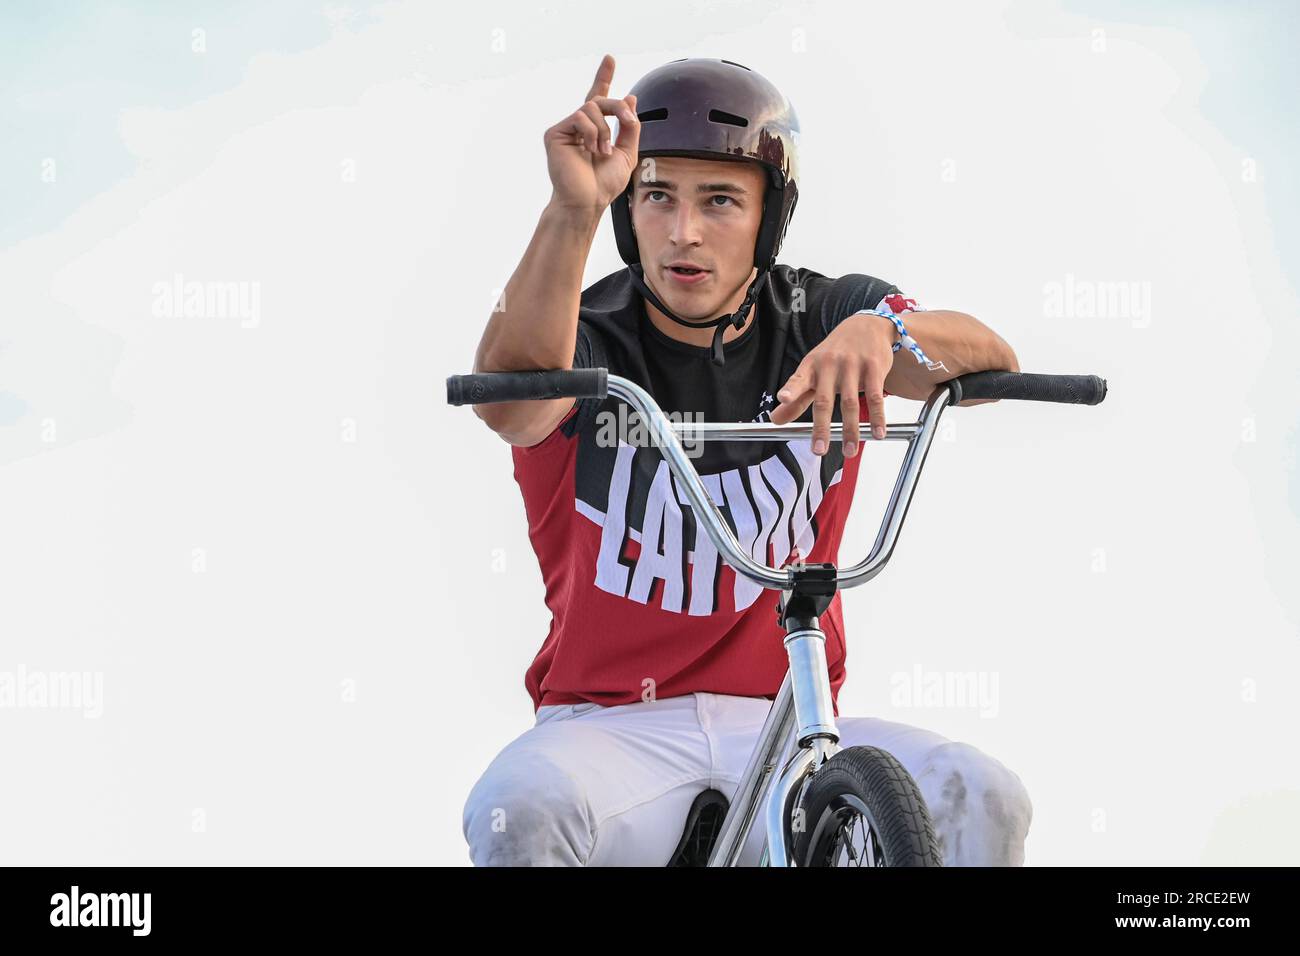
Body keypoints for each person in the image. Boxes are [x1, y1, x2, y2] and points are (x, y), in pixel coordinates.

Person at [463, 54, 1029, 866]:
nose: (683, 232)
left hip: (788, 720)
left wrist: (883, 332)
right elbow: (509, 405)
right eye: (656, 196)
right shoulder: (586, 330)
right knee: (521, 808)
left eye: (720, 200)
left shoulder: (821, 312)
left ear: (770, 217)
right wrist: (572, 208)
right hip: (612, 731)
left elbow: (986, 364)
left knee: (985, 793)